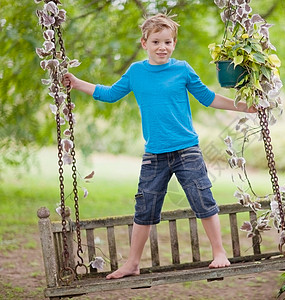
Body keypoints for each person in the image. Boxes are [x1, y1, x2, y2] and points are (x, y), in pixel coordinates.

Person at [63, 13, 256, 280]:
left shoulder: (182, 69)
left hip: (187, 150)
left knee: (203, 200)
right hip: (154, 154)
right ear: (145, 43)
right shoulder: (136, 73)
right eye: (156, 42)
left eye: (167, 42)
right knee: (145, 208)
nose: (162, 47)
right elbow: (108, 95)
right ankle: (132, 263)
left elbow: (208, 98)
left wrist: (245, 107)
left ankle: (219, 253)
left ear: (174, 43)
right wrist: (76, 83)